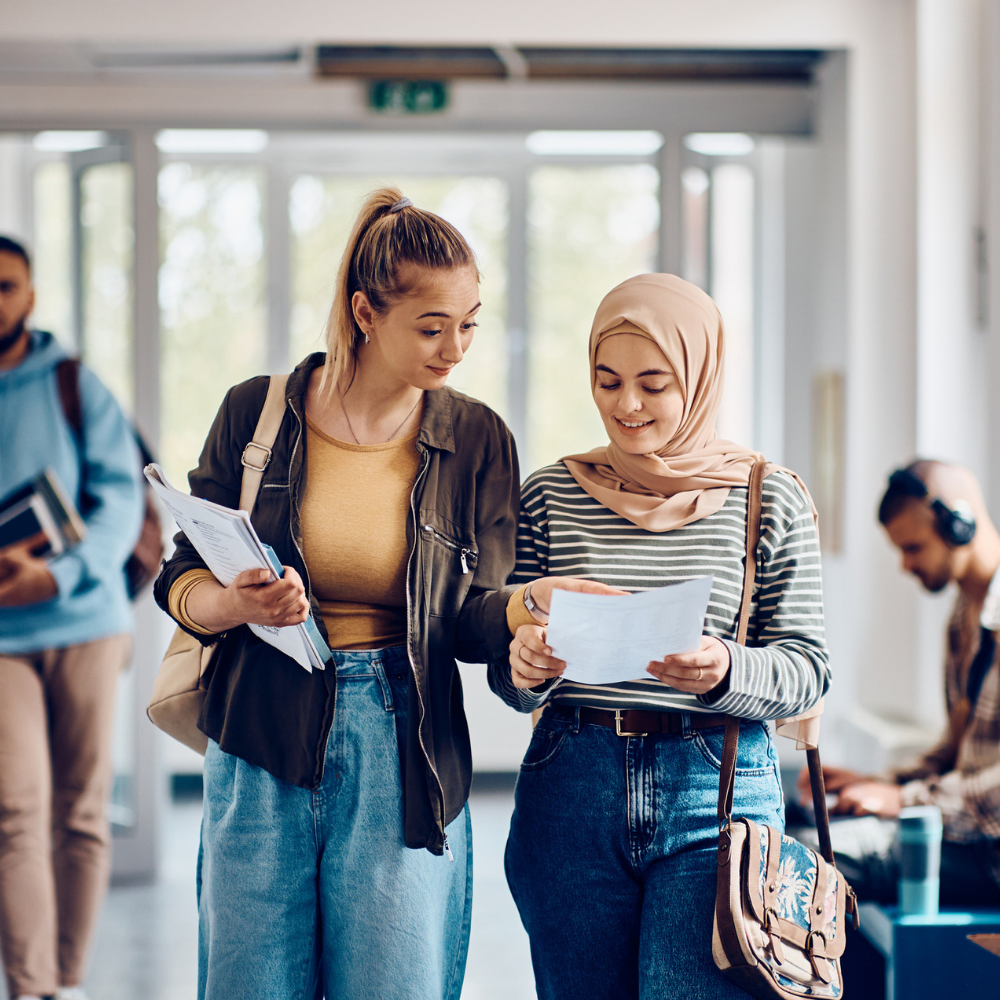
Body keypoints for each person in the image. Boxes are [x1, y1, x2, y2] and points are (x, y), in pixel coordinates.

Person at [153, 189, 524, 1000]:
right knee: (251, 985)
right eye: (431, 327)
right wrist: (238, 605)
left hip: (406, 737)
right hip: (258, 729)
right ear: (364, 311)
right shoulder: (258, 412)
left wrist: (527, 617)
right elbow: (179, 577)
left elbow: (476, 614)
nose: (454, 347)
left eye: (469, 322)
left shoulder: (478, 438)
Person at [488, 273, 830, 999]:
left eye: (654, 382)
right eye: (607, 381)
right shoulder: (549, 496)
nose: (627, 405)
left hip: (717, 787)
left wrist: (723, 670)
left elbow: (808, 669)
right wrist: (525, 665)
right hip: (570, 779)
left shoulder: (769, 497)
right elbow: (507, 677)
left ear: (700, 376)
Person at [0, 235, 144, 1000]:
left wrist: (53, 577)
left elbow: (121, 503)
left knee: (80, 812)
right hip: (1, 640)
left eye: (6, 285)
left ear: (29, 294)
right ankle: (32, 990)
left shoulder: (72, 384)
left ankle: (67, 983)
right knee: (15, 811)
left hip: (85, 620)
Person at [797, 460, 1000, 906]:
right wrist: (875, 783)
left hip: (991, 852)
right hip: (964, 830)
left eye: (914, 547)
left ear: (958, 526)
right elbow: (955, 752)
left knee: (807, 860)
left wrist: (902, 800)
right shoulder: (966, 617)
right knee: (794, 823)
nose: (906, 565)